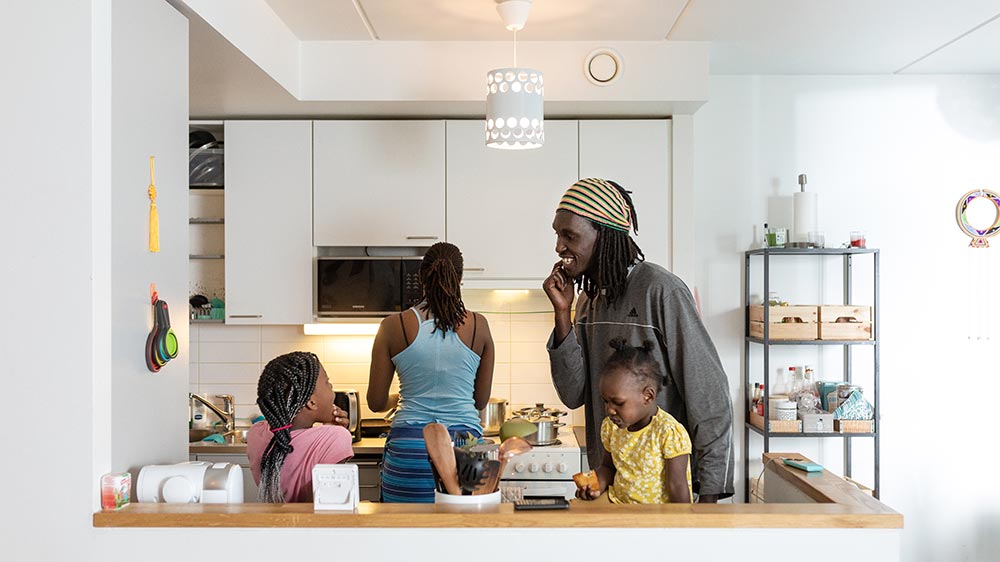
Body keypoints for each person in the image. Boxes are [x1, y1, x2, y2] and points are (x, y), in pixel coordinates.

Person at [544, 177, 734, 502]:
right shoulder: (587, 301)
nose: (559, 246)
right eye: (558, 234)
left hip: (670, 501)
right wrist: (562, 314)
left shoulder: (661, 291)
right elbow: (573, 394)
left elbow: (710, 400)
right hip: (616, 496)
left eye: (570, 235)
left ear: (603, 235)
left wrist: (709, 496)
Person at [368, 242, 495, 503]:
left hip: (409, 448)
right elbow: (480, 400)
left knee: (403, 526)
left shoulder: (393, 326)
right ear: (460, 278)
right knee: (463, 525)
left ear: (421, 278)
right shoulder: (478, 326)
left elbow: (376, 403)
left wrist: (398, 399)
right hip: (465, 448)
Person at [576, 338, 692, 504]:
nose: (609, 410)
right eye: (606, 401)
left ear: (648, 396)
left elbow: (677, 487)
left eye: (618, 403)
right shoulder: (611, 427)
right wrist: (596, 486)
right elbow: (608, 467)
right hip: (618, 505)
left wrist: (682, 520)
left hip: (654, 516)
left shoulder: (668, 432)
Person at [247, 351, 354, 503]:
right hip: (311, 519)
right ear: (311, 402)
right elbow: (329, 501)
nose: (331, 387)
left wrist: (329, 428)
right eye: (327, 382)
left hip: (272, 518)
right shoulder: (336, 438)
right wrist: (337, 430)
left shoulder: (256, 433)